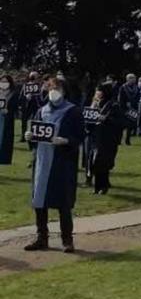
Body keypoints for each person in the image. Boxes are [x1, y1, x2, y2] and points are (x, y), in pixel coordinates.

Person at [23, 78, 84, 253]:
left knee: (63, 202)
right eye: (50, 88)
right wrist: (30, 138)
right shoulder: (41, 111)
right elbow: (36, 137)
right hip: (42, 161)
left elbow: (80, 136)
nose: (53, 91)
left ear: (64, 91)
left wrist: (66, 141)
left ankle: (67, 240)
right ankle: (42, 238)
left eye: (56, 88)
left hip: (61, 163)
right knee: (39, 201)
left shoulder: (73, 112)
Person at [87, 84, 123, 195]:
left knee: (103, 164)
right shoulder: (95, 104)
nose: (97, 93)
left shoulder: (113, 105)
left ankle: (103, 186)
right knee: (94, 163)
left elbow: (120, 122)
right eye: (97, 91)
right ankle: (97, 187)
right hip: (95, 138)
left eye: (100, 91)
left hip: (107, 139)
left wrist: (106, 119)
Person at [21, 71, 45, 144]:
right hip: (27, 106)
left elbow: (42, 97)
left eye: (36, 77)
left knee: (37, 121)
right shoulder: (26, 86)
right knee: (24, 121)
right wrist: (27, 97)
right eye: (33, 77)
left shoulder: (40, 86)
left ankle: (36, 135)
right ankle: (23, 136)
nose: (35, 79)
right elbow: (21, 96)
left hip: (37, 106)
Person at [0, 75, 19, 165]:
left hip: (6, 120)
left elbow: (15, 107)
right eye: (2, 81)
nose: (3, 83)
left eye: (5, 81)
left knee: (4, 140)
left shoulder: (13, 93)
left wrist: (8, 111)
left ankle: (3, 159)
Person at [117, 74, 140, 145]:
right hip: (124, 108)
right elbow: (120, 98)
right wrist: (125, 104)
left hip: (133, 109)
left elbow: (138, 97)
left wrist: (135, 104)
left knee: (130, 125)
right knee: (122, 126)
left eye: (134, 78)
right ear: (128, 79)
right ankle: (119, 140)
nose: (133, 80)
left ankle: (127, 140)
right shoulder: (123, 87)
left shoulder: (136, 88)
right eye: (131, 78)